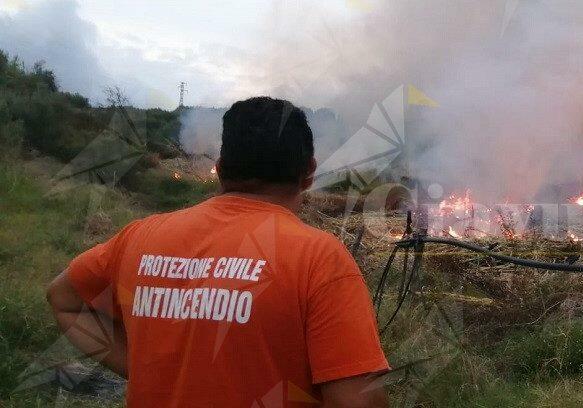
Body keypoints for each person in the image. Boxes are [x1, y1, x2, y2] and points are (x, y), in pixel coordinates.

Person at [46, 97, 390, 407]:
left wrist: (143, 368)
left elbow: (63, 298)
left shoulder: (139, 237)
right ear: (310, 173)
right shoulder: (319, 258)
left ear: (222, 168)